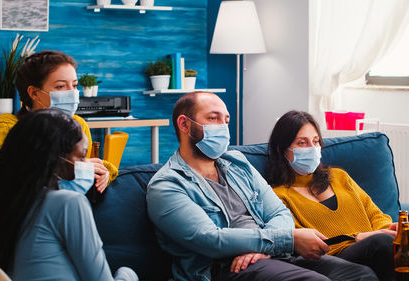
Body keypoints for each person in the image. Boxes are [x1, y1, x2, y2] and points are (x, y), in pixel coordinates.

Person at [146, 92, 377, 281]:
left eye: (226, 120)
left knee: (360, 274)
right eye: (213, 118)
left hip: (272, 255)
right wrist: (287, 240)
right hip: (226, 268)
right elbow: (211, 239)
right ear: (185, 124)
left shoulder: (237, 163)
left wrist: (265, 248)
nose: (223, 127)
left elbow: (278, 212)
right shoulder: (166, 185)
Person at [267, 110, 409, 281]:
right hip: (343, 256)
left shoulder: (339, 177)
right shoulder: (278, 196)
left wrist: (386, 229)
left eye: (316, 141)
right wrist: (360, 238)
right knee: (381, 243)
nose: (312, 149)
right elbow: (307, 244)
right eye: (302, 143)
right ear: (282, 149)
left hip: (380, 244)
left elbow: (375, 213)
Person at [0, 108, 137, 281]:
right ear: (55, 159)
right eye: (81, 157)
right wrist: (127, 274)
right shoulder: (68, 203)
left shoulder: (0, 203)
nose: (85, 164)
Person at [0, 50, 116, 196]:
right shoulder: (7, 125)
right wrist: (75, 167)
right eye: (60, 86)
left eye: (74, 85)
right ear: (34, 93)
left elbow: (86, 164)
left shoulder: (78, 124)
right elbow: (7, 171)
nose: (72, 93)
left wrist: (104, 172)